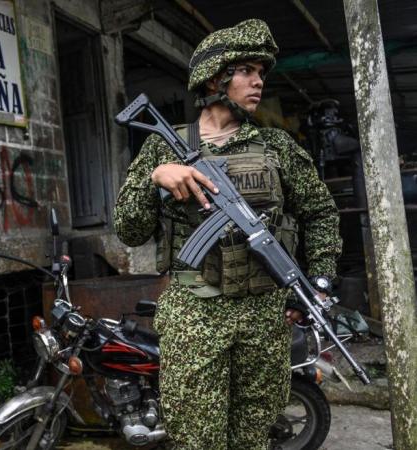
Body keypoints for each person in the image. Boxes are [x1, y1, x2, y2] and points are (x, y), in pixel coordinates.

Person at [113, 19, 341, 450]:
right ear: (216, 77)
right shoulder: (164, 147)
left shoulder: (278, 148)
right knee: (196, 440)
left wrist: (320, 282)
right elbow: (129, 230)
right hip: (195, 313)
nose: (258, 82)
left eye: (261, 73)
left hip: (265, 317)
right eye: (247, 71)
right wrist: (155, 178)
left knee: (253, 437)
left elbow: (321, 214)